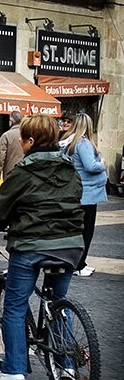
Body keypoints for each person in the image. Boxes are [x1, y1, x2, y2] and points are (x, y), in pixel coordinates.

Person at [0, 114, 84, 380]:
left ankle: (13, 369)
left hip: (32, 246)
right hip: (70, 245)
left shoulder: (22, 173)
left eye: (22, 138)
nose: (20, 144)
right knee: (58, 303)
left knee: (15, 307)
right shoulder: (70, 169)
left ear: (31, 141)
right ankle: (67, 364)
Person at [62, 112, 107, 277]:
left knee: (77, 230)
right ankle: (79, 265)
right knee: (86, 231)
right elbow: (91, 166)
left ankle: (76, 262)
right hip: (88, 194)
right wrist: (101, 163)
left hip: (77, 191)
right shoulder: (84, 143)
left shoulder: (70, 143)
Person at [0, 110, 23, 184]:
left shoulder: (6, 136)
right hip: (27, 174)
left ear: (10, 121)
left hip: (10, 174)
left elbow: (0, 157)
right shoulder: (28, 134)